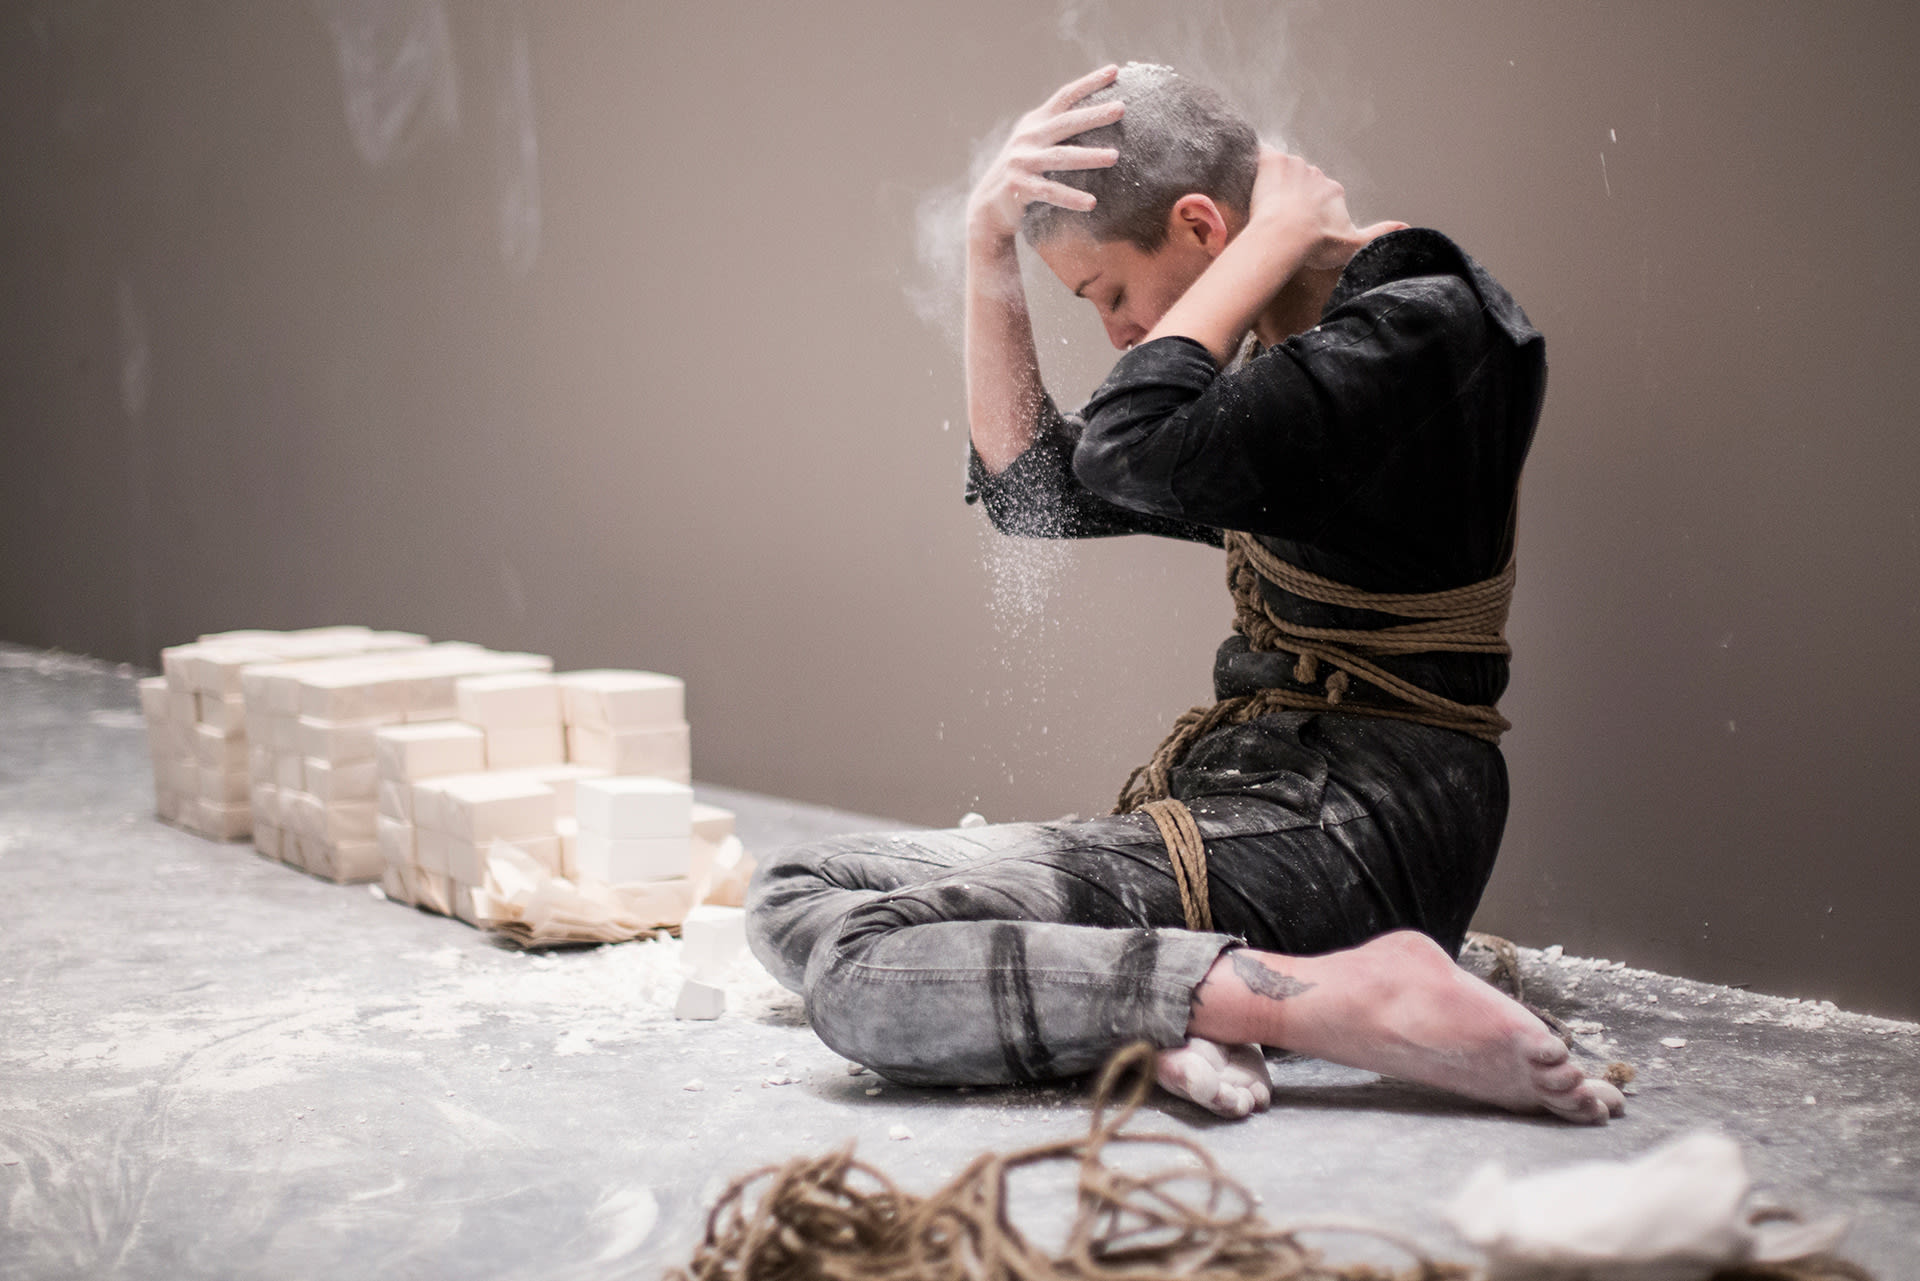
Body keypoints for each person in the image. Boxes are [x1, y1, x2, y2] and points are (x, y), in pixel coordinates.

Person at [746, 63, 1624, 1125]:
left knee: (861, 973)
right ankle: (1171, 1007)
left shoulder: (1421, 335)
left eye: (1110, 294)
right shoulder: (1287, 372)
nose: (1119, 334)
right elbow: (1040, 495)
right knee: (796, 890)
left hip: (1360, 825)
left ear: (1205, 226)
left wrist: (1263, 243)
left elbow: (1127, 447)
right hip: (1268, 806)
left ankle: (1338, 999)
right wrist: (984, 245)